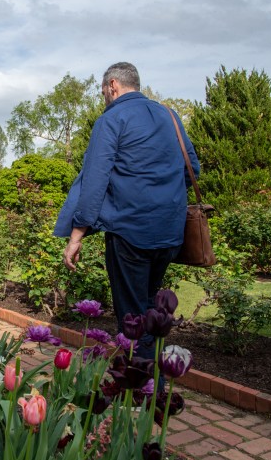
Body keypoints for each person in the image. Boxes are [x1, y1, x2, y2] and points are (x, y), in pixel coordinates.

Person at [54, 62, 200, 365]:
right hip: (170, 232)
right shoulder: (170, 116)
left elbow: (95, 182)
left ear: (112, 87)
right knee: (149, 305)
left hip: (131, 231)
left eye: (103, 91)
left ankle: (142, 385)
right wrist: (164, 198)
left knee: (133, 316)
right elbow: (192, 170)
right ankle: (153, 374)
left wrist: (76, 235)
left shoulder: (112, 120)